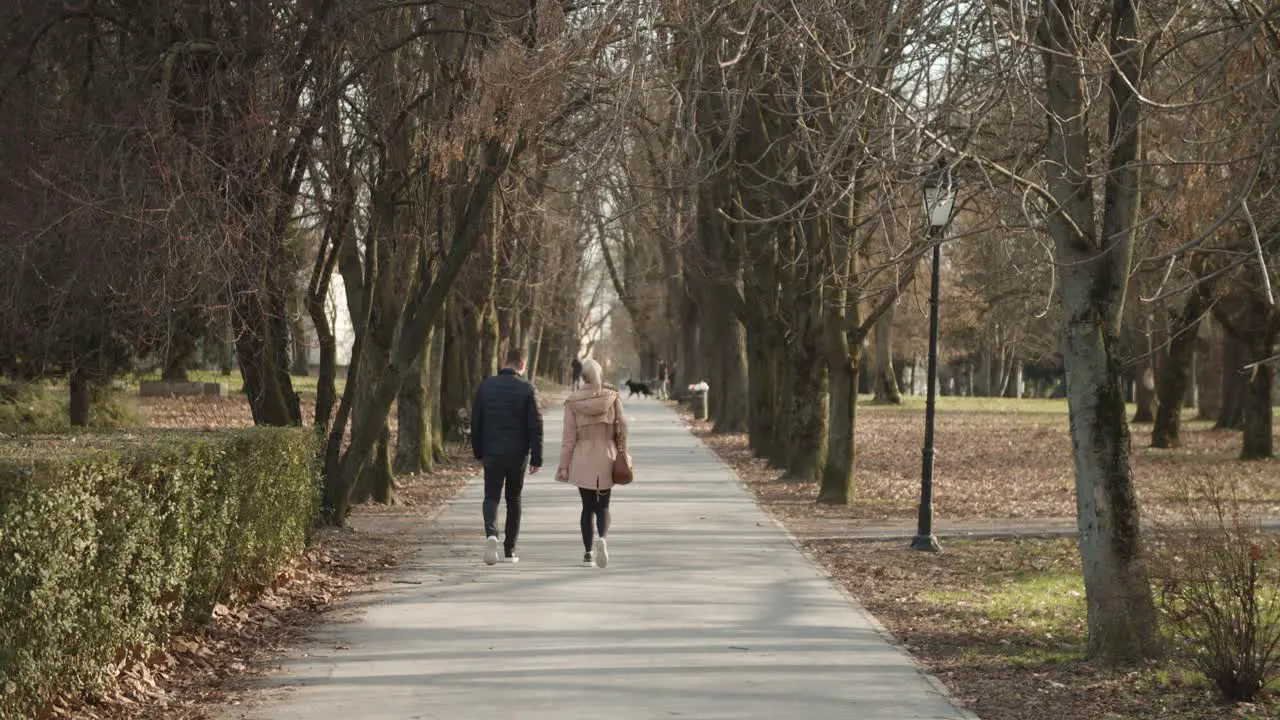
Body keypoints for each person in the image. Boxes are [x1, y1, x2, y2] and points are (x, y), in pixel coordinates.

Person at [471, 345, 543, 565]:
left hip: (492, 451)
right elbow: (535, 425)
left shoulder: (486, 386)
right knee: (514, 499)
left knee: (491, 496)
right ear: (522, 364)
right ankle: (510, 549)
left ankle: (491, 534)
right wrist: (536, 457)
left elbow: (476, 421)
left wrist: (478, 451)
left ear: (504, 361)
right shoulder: (528, 389)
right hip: (517, 454)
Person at [556, 358, 629, 568]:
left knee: (587, 507)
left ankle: (588, 553)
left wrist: (564, 465)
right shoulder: (612, 397)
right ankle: (603, 539)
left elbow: (569, 437)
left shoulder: (572, 402)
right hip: (608, 454)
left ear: (582, 377)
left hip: (582, 456)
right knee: (604, 505)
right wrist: (625, 454)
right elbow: (622, 428)